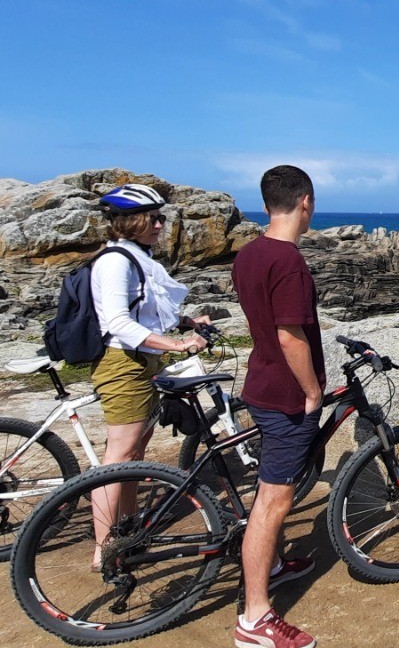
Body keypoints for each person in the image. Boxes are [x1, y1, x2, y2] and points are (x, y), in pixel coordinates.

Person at [90, 183, 210, 569]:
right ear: (133, 221)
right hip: (124, 364)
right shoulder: (115, 262)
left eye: (162, 217)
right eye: (155, 218)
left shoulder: (136, 257)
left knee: (134, 455)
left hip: (142, 363)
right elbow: (118, 323)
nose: (162, 224)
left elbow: (146, 307)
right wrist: (175, 345)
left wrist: (187, 321)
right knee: (118, 457)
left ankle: (125, 526)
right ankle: (104, 547)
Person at [231, 165, 324, 648]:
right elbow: (290, 336)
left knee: (270, 491)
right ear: (304, 202)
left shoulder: (249, 254)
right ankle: (255, 618)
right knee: (273, 500)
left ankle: (271, 563)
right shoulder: (288, 261)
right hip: (285, 395)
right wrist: (311, 391)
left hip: (259, 383)